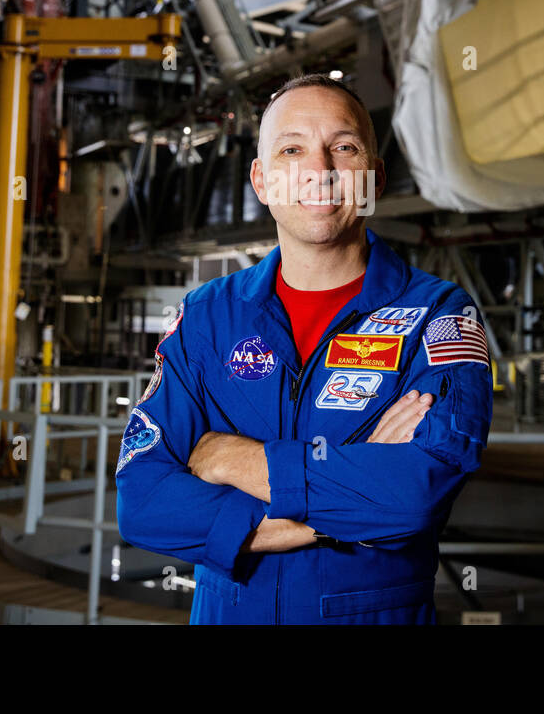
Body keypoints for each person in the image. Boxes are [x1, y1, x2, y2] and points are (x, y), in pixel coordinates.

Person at [115, 73, 493, 624]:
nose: (319, 171)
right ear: (262, 180)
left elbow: (414, 496)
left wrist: (227, 459)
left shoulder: (438, 317)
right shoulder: (206, 317)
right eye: (292, 150)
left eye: (343, 147)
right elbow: (143, 503)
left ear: (375, 177)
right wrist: (347, 500)